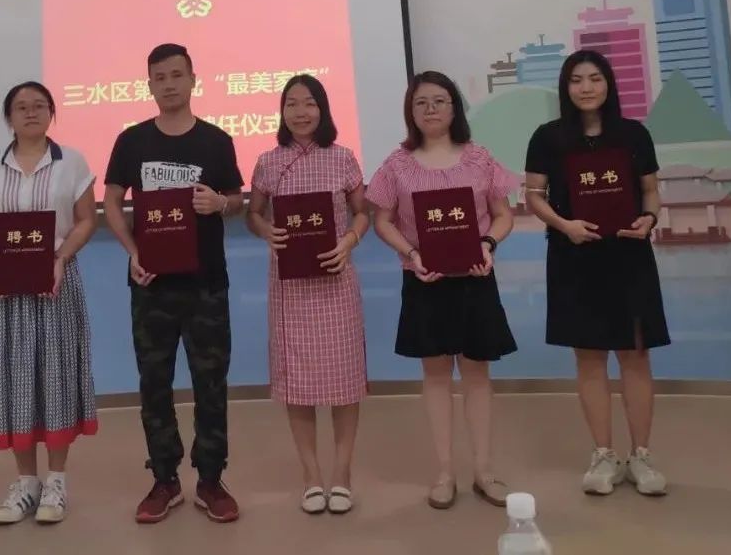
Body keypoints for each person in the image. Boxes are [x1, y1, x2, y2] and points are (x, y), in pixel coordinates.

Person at [103, 43, 244, 524]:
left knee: (211, 384)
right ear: (149, 85)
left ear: (192, 80)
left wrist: (220, 205)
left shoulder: (216, 140)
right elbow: (112, 200)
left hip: (207, 284)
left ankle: (211, 479)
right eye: (159, 77)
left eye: (177, 75)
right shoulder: (132, 141)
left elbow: (236, 199)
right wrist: (133, 251)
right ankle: (164, 479)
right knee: (154, 384)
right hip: (152, 285)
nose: (168, 84)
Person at [366, 70, 517, 510]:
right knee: (435, 376)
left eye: (439, 101)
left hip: (475, 278)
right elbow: (381, 220)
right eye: (421, 103)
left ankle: (484, 471)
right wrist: (411, 253)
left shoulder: (479, 158)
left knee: (477, 375)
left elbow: (503, 215)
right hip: (424, 280)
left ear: (454, 108)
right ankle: (445, 473)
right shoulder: (397, 164)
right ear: (410, 112)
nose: (430, 109)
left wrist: (488, 244)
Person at [524, 50, 670, 497]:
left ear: (608, 84)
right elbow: (534, 195)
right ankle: (603, 455)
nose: (586, 88)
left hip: (629, 256)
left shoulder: (633, 134)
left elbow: (650, 191)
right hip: (574, 257)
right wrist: (564, 225)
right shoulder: (548, 137)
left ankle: (641, 456)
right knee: (589, 358)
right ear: (565, 88)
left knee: (635, 356)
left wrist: (649, 219)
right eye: (576, 80)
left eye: (594, 78)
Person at [0, 82, 99, 525]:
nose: (30, 113)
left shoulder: (71, 161)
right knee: (14, 379)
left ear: (51, 113)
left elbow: (86, 220)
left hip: (55, 284)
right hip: (5, 290)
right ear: (8, 117)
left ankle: (56, 482)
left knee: (56, 377)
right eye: (21, 107)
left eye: (39, 105)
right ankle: (26, 483)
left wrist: (60, 259)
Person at [246, 75, 369, 515]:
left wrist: (349, 240)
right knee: (297, 384)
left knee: (345, 382)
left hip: (336, 280)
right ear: (282, 112)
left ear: (323, 109)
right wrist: (267, 231)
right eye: (292, 104)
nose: (300, 112)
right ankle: (312, 477)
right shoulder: (268, 162)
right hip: (290, 287)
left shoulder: (343, 158)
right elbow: (253, 214)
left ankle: (342, 474)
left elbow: (362, 212)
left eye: (309, 103)